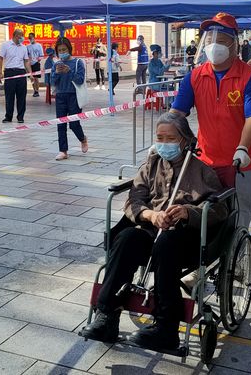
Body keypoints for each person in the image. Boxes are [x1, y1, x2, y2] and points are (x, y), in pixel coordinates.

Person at [81, 113, 226, 350]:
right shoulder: (151, 165)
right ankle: (107, 315)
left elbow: (218, 209)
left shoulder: (201, 171)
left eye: (170, 138)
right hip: (152, 228)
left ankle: (166, 329)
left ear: (185, 139)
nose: (164, 143)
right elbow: (134, 200)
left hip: (184, 237)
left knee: (166, 244)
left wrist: (187, 212)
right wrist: (151, 215)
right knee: (127, 238)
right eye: (160, 138)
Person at [170, 12, 251, 229]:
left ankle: (237, 256)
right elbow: (177, 113)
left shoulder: (250, 77)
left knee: (239, 217)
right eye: (210, 41)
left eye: (221, 41)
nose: (214, 46)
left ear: (235, 44)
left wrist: (242, 147)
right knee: (206, 217)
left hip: (241, 162)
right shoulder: (194, 77)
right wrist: (164, 138)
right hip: (205, 163)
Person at [51, 37, 88, 161]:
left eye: (64, 50)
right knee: (61, 124)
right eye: (60, 51)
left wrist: (70, 71)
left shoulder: (78, 62)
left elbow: (80, 80)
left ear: (69, 49)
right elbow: (52, 82)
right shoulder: (56, 64)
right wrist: (56, 73)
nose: (62, 52)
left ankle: (82, 139)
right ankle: (63, 151)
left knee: (74, 123)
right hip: (60, 96)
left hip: (74, 96)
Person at [0, 28, 33, 124]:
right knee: (9, 96)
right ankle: (8, 116)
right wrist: (0, 73)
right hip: (9, 72)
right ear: (15, 35)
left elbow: (26, 61)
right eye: (20, 36)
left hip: (21, 72)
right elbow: (0, 59)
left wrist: (30, 73)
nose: (22, 38)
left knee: (21, 96)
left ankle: (20, 117)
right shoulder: (5, 45)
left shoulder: (23, 47)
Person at [26, 33, 44, 97]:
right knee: (32, 78)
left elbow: (41, 55)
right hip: (30, 64)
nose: (30, 39)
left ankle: (37, 91)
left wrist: (37, 61)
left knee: (36, 78)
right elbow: (26, 55)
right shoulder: (27, 46)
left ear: (34, 37)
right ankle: (34, 90)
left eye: (31, 38)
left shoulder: (39, 45)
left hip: (36, 63)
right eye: (29, 38)